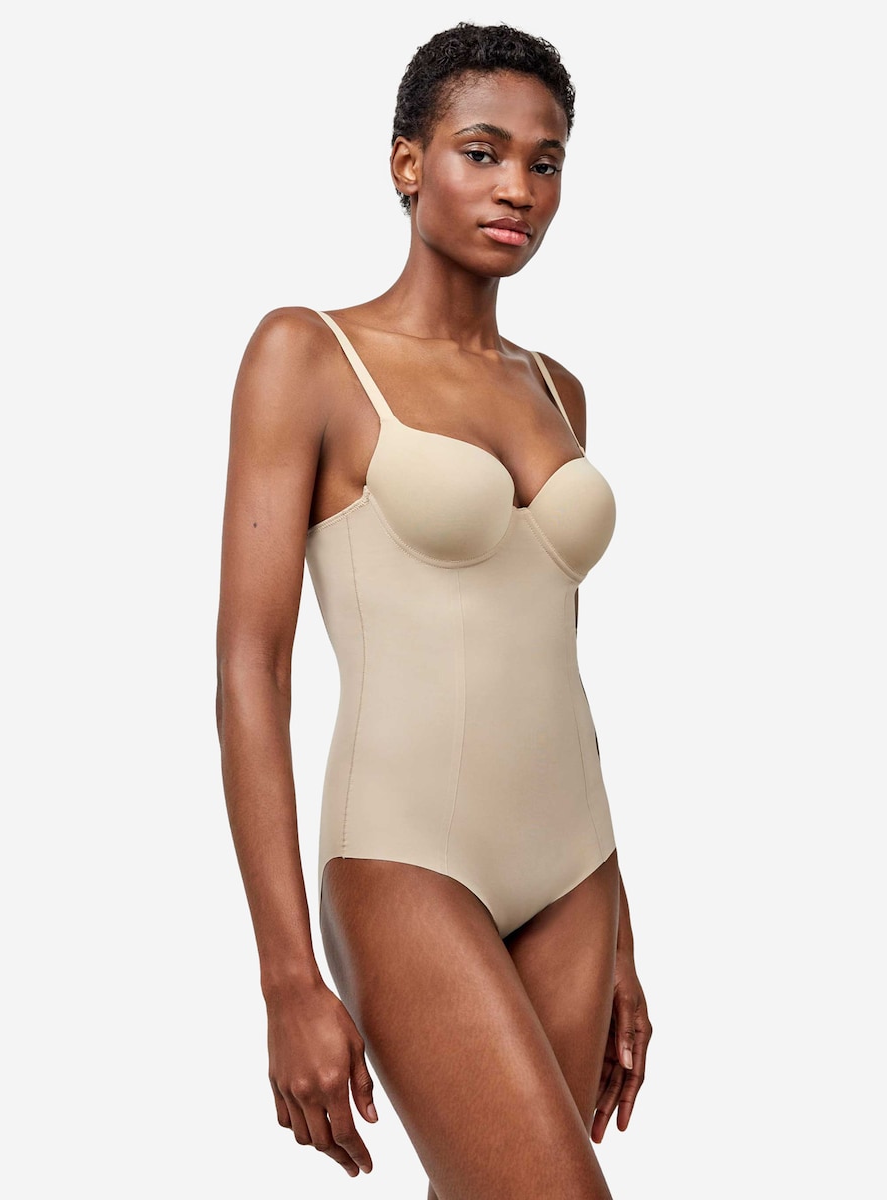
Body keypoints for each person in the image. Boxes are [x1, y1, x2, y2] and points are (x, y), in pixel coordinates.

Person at [216, 21, 652, 1199]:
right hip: (406, 855)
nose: (519, 188)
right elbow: (250, 670)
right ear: (408, 162)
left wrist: (626, 931)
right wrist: (286, 977)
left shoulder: (557, 390)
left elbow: (557, 662)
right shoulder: (308, 354)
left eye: (546, 163)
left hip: (577, 867)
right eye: (483, 151)